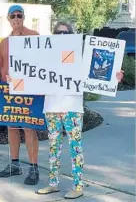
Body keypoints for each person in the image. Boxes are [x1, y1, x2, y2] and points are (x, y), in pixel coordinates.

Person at [36, 22, 125, 199]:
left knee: (75, 148)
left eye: (65, 32)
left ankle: (78, 185)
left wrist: (114, 78)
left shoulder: (83, 56)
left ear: (72, 34)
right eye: (57, 33)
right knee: (54, 147)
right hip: (52, 107)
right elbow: (33, 78)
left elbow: (98, 76)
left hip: (72, 108)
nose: (61, 36)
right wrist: (15, 80)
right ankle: (53, 183)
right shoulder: (45, 57)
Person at [0, 4, 41, 185]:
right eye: (13, 16)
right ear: (8, 19)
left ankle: (34, 168)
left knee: (28, 128)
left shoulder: (34, 36)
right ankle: (14, 164)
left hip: (28, 89)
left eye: (19, 16)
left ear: (24, 17)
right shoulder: (5, 42)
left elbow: (43, 60)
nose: (16, 19)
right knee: (11, 127)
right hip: (9, 90)